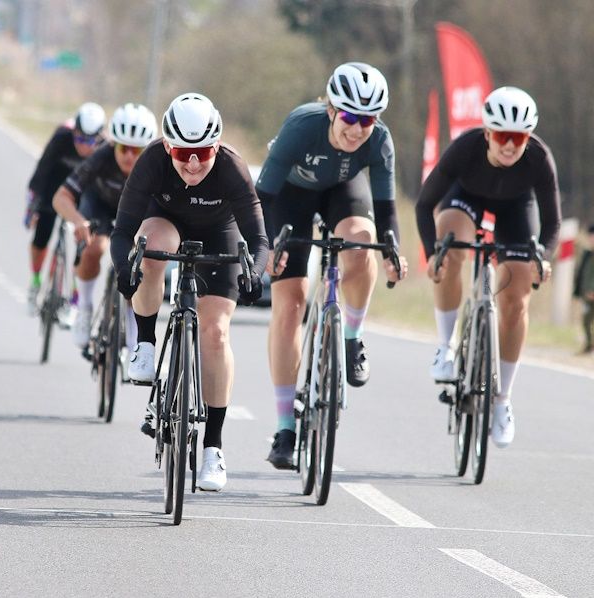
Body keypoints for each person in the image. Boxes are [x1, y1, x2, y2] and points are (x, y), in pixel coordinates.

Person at [110, 93, 268, 492]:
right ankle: (146, 343)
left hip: (219, 231)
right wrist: (124, 269)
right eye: (182, 153)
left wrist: (254, 272)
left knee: (215, 333)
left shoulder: (232, 167)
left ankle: (213, 446)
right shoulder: (151, 161)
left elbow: (259, 239)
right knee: (149, 250)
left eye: (203, 153)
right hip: (164, 221)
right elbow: (122, 230)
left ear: (217, 146)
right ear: (168, 146)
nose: (193, 163)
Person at [256, 62, 407, 469]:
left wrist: (392, 254)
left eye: (368, 120)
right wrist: (265, 247)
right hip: (290, 197)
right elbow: (262, 199)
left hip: (343, 190)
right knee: (290, 304)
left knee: (361, 244)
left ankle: (352, 337)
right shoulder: (300, 127)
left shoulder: (380, 141)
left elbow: (387, 211)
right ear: (331, 111)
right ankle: (285, 428)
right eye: (350, 118)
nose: (357, 130)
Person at [416, 86, 559, 448]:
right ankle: (446, 346)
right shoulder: (465, 149)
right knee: (450, 250)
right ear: (487, 133)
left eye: (519, 138)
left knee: (516, 296)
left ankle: (502, 400)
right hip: (465, 199)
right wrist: (431, 253)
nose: (510, 145)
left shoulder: (539, 158)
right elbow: (424, 204)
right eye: (502, 136)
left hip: (516, 209)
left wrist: (542, 257)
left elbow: (553, 223)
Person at [53, 102, 157, 349]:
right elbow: (61, 197)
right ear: (113, 144)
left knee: (136, 266)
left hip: (135, 214)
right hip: (100, 206)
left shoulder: (155, 164)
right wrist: (78, 221)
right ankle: (84, 307)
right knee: (95, 248)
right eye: (123, 148)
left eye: (136, 150)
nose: (129, 156)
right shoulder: (101, 156)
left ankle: (133, 325)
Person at [25, 102, 105, 314]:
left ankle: (75, 298)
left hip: (83, 193)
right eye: (79, 138)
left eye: (90, 141)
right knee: (41, 236)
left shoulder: (105, 149)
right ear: (74, 131)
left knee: (84, 243)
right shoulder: (62, 137)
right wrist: (32, 207)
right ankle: (35, 281)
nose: (83, 146)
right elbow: (41, 171)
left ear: (99, 137)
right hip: (55, 188)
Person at [573, 224, 594, 353]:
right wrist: (578, 291)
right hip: (586, 294)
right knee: (586, 321)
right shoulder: (587, 254)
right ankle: (589, 345)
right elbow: (582, 274)